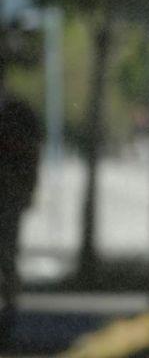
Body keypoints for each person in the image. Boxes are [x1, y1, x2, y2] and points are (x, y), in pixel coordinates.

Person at [0, 91, 42, 337]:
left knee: (7, 254)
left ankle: (10, 309)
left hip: (8, 197)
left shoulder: (18, 114)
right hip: (11, 195)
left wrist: (26, 190)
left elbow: (30, 155)